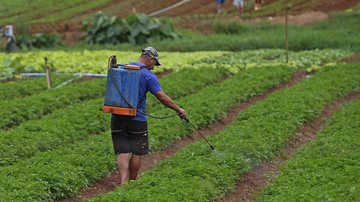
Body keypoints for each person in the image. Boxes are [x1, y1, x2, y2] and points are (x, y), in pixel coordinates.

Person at [111, 47, 187, 185]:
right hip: (137, 119)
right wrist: (178, 109)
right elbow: (162, 97)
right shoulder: (147, 75)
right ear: (149, 59)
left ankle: (123, 183)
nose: (154, 67)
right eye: (154, 63)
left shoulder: (123, 69)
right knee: (137, 151)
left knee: (122, 151)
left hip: (117, 116)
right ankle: (132, 183)